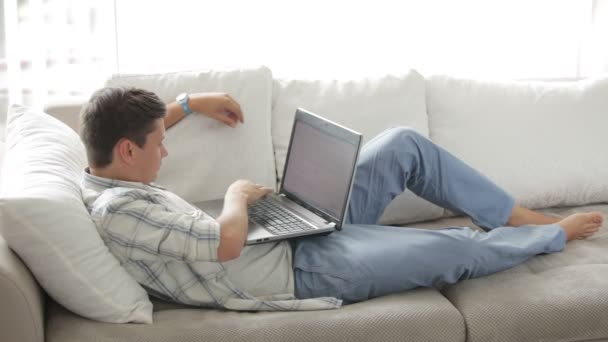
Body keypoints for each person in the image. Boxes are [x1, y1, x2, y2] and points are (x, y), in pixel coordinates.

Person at [80, 86, 604, 311]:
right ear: (128, 150)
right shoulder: (120, 213)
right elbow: (226, 245)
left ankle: (511, 213)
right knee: (454, 250)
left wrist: (189, 104)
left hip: (287, 235)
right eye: (158, 142)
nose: (165, 151)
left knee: (402, 144)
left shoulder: (107, 170)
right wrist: (238, 195)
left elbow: (140, 130)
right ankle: (547, 235)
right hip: (298, 269)